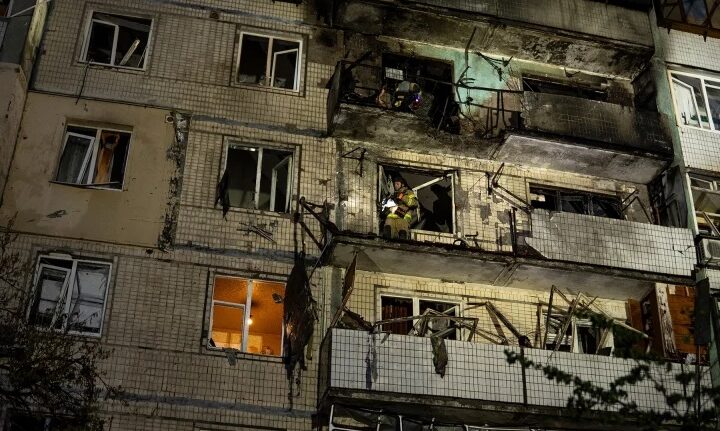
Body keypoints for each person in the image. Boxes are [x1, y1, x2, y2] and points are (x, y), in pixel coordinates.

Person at [382, 174, 418, 240]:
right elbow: (386, 207)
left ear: (402, 185)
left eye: (397, 184)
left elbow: (414, 203)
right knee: (387, 233)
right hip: (391, 218)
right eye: (395, 184)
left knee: (402, 237)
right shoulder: (392, 195)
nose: (395, 185)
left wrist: (402, 197)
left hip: (403, 217)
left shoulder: (408, 192)